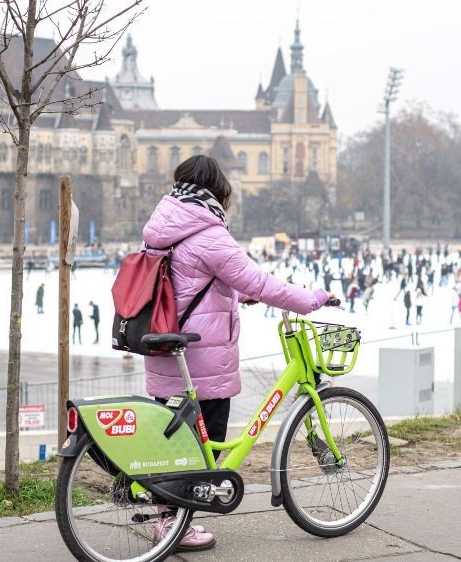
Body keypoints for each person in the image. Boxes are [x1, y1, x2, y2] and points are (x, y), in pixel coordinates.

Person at [140, 155, 333, 551]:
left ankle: (169, 518)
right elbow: (260, 281)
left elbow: (187, 281)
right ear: (218, 189)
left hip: (163, 345)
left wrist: (233, 291)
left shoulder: (163, 224)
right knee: (199, 447)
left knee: (174, 441)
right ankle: (173, 525)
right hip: (202, 358)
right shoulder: (208, 232)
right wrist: (310, 299)